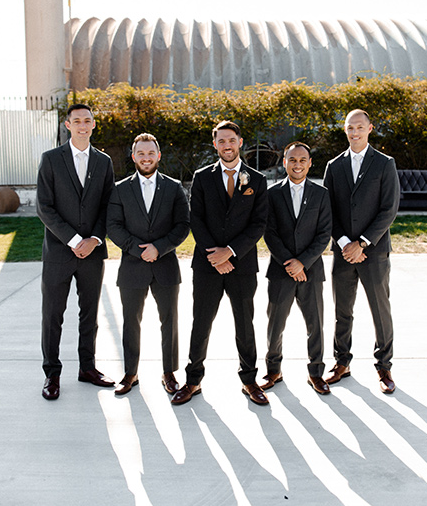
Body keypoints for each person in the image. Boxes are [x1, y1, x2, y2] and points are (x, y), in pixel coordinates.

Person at [172, 120, 269, 406]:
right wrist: (215, 255)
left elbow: (258, 224)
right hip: (207, 265)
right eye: (221, 141)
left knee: (245, 323)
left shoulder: (257, 180)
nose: (227, 145)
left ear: (240, 142)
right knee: (200, 323)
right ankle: (192, 381)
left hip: (242, 266)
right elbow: (196, 219)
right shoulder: (202, 177)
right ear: (215, 145)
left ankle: (250, 380)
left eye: (232, 140)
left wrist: (230, 252)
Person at [37, 103, 115, 400]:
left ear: (94, 125)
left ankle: (87, 367)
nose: (83, 125)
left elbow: (109, 205)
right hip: (59, 252)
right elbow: (45, 207)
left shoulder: (103, 161)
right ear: (68, 125)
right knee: (53, 314)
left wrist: (93, 239)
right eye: (77, 121)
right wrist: (73, 240)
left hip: (93, 253)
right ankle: (52, 374)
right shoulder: (51, 159)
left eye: (88, 121)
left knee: (89, 313)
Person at [323, 108, 400, 393]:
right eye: (349, 128)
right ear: (345, 130)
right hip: (343, 252)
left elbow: (389, 209)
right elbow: (328, 210)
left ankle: (384, 367)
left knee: (380, 310)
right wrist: (345, 243)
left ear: (370, 128)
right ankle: (341, 362)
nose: (354, 132)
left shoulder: (384, 163)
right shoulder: (334, 165)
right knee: (342, 311)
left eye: (359, 127)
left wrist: (363, 243)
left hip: (374, 252)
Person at [107, 133, 190, 395]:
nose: (146, 158)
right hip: (132, 267)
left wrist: (160, 248)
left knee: (170, 321)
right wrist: (137, 250)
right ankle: (130, 373)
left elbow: (183, 225)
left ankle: (169, 372)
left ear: (158, 156)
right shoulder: (120, 189)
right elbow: (113, 226)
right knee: (131, 321)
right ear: (133, 157)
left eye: (150, 153)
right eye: (140, 153)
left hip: (166, 266)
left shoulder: (174, 187)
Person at [262, 142, 332, 394]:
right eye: (292, 160)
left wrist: (303, 262)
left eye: (303, 160)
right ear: (284, 162)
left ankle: (316, 372)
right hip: (281, 272)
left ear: (310, 163)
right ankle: (273, 371)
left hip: (311, 271)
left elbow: (324, 233)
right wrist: (289, 263)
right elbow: (269, 232)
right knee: (275, 324)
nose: (298, 164)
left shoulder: (321, 194)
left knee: (315, 324)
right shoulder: (272, 194)